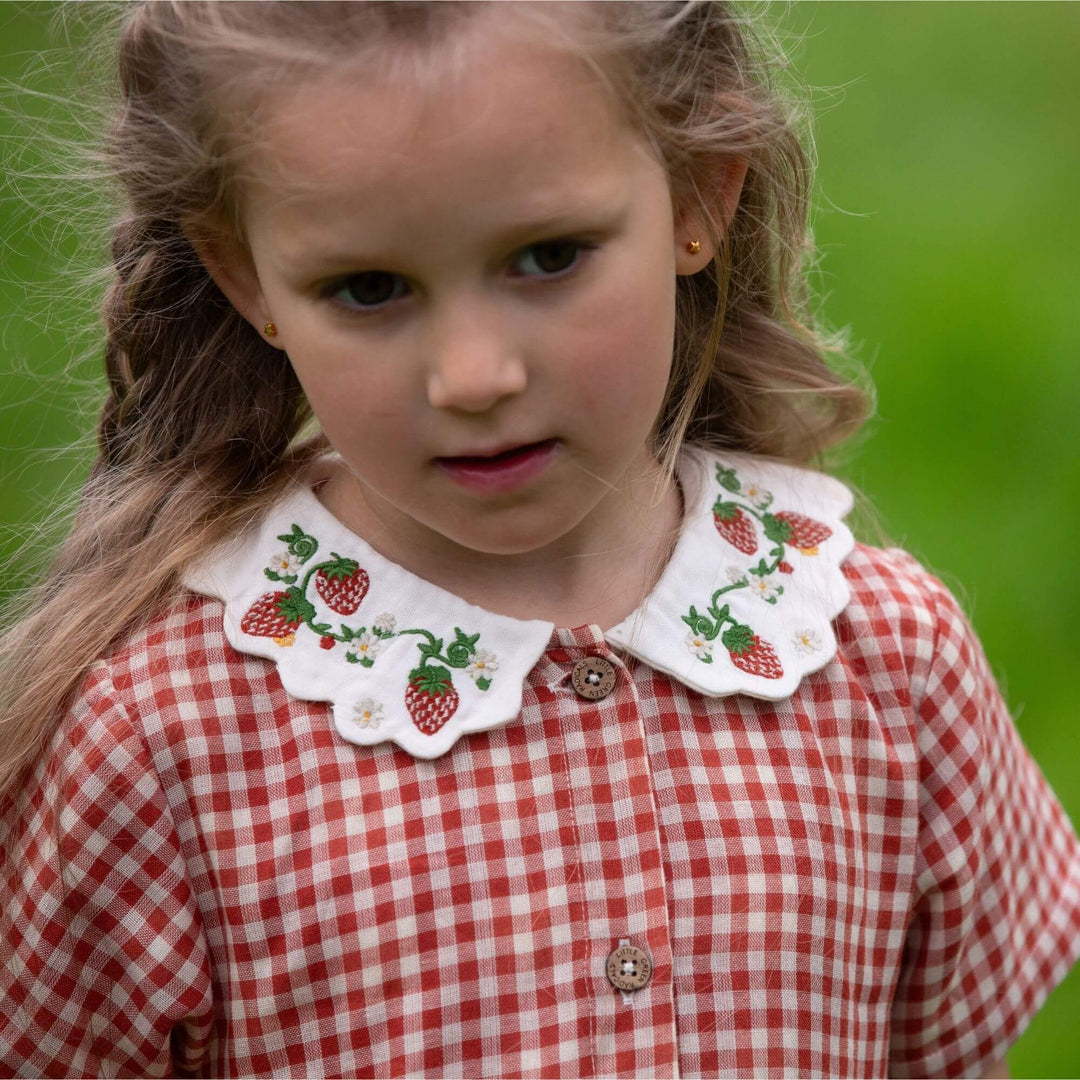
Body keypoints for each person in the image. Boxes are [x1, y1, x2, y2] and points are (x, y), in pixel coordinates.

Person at [1, 2, 1077, 1076]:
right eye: (369, 288)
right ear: (246, 277)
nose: (473, 376)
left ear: (702, 194)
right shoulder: (162, 746)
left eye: (548, 256)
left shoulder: (886, 664)